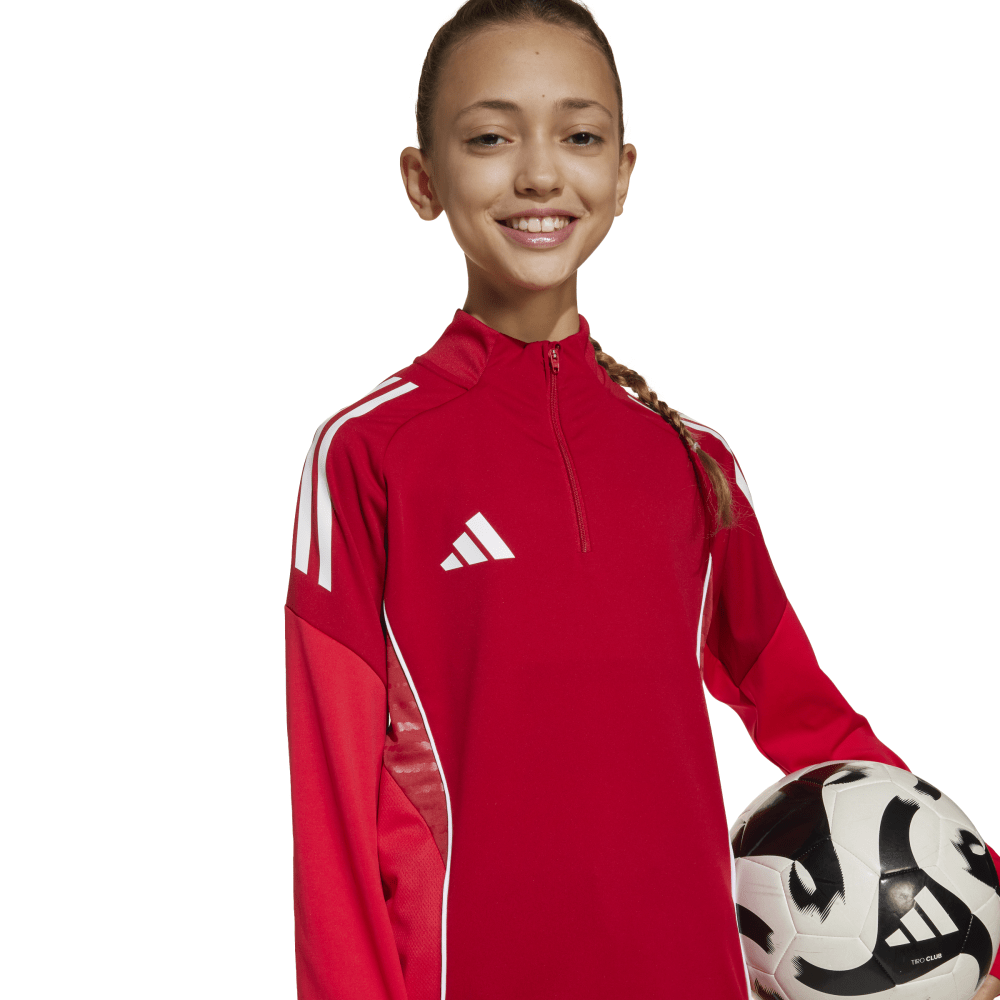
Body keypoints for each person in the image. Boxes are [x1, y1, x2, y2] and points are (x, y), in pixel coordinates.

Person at [284, 1, 1000, 997]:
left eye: (579, 137)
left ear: (622, 175)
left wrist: (981, 916)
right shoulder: (371, 453)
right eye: (490, 138)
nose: (540, 175)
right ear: (422, 179)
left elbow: (806, 714)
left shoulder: (689, 459)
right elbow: (330, 804)